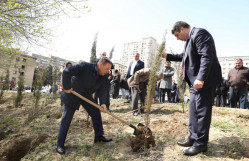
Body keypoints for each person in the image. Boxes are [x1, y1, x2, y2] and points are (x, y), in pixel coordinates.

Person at [162, 21, 222, 156]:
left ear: (182, 29)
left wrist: (201, 78)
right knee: (193, 112)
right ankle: (193, 137)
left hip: (204, 82)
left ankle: (201, 144)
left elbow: (207, 56)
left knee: (202, 113)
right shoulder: (189, 41)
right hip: (194, 83)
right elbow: (184, 57)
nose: (177, 38)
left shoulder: (200, 34)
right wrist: (168, 56)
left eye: (177, 35)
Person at [56, 57, 113, 155]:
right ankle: (60, 145)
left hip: (85, 95)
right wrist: (67, 87)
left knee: (95, 112)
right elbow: (66, 72)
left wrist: (103, 103)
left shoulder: (104, 75)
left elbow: (103, 89)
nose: (108, 71)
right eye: (107, 69)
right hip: (72, 93)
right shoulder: (85, 66)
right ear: (100, 65)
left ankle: (99, 136)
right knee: (67, 119)